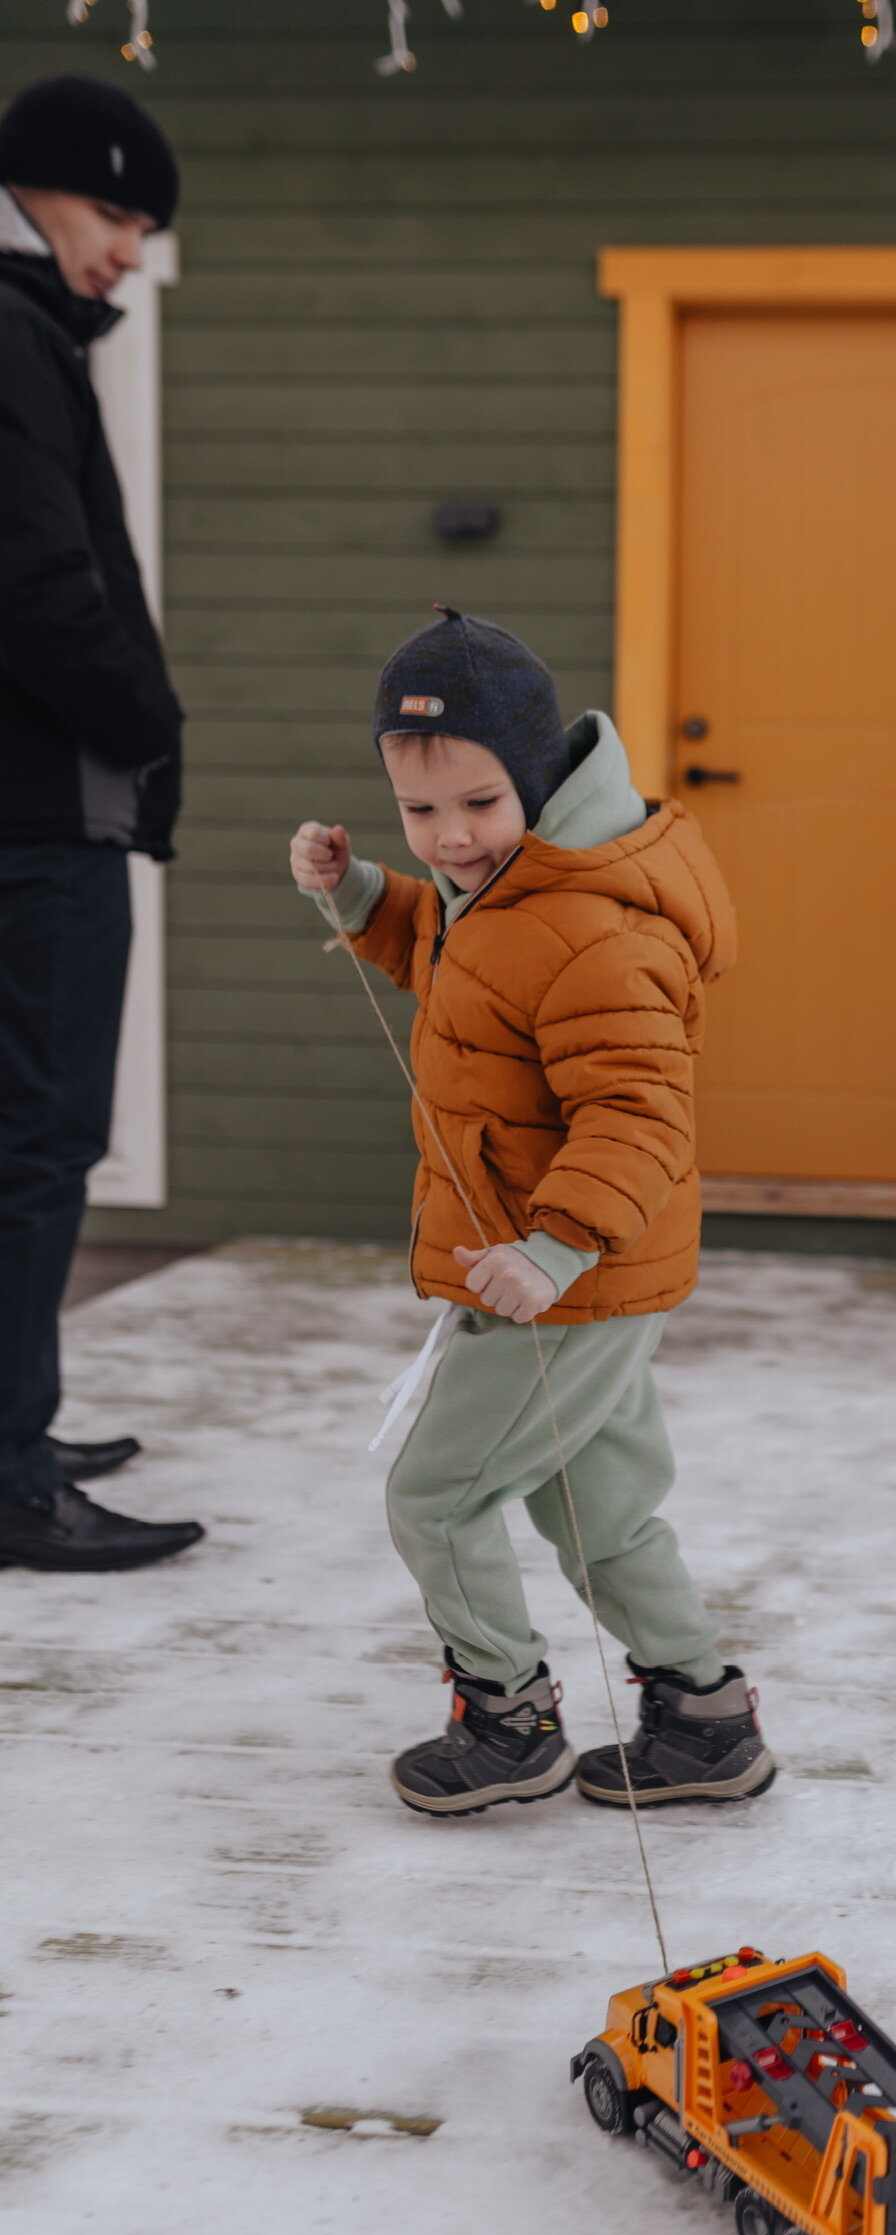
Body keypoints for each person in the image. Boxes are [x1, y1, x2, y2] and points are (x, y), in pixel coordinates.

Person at [288, 607, 773, 1815]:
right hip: (581, 1270)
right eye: (419, 812)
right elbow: (463, 966)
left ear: (541, 777)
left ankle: (507, 1720)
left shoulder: (595, 931)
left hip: (564, 1274)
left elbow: (640, 1117)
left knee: (434, 1497)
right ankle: (706, 1719)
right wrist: (360, 890)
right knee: (598, 1511)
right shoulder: (506, 886)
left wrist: (555, 1248)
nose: (449, 839)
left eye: (478, 803)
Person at [0, 77, 203, 1571]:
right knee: (42, 1143)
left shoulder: (26, 331)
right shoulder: (12, 334)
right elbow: (46, 589)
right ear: (40, 191)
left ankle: (14, 1425)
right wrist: (150, 721)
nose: (129, 249)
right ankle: (13, 1478)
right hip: (39, 814)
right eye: (117, 212)